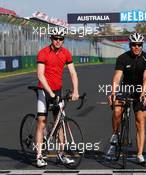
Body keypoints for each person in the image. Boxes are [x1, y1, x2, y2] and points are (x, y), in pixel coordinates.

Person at [35, 27, 79, 167]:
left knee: (60, 122)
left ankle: (61, 154)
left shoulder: (66, 53)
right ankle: (39, 156)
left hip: (57, 90)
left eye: (61, 39)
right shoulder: (43, 53)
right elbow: (40, 75)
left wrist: (75, 90)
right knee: (42, 121)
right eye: (56, 38)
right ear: (51, 39)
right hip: (43, 90)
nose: (58, 41)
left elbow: (73, 73)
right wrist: (51, 93)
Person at [107, 32, 146, 164]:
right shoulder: (122, 58)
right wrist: (113, 92)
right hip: (125, 88)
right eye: (134, 44)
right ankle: (115, 133)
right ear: (130, 45)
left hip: (140, 89)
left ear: (142, 45)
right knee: (117, 110)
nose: (136, 47)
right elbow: (117, 76)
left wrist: (143, 93)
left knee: (140, 120)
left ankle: (139, 154)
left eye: (139, 45)